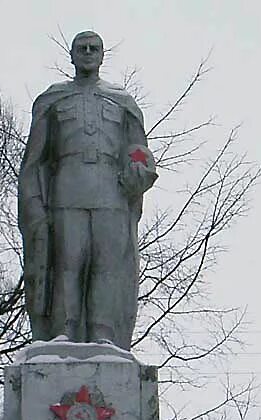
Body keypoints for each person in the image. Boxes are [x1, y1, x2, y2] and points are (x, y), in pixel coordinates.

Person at [18, 30, 156, 350]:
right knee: (68, 260)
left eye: (94, 48)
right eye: (82, 48)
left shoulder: (121, 101)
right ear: (72, 55)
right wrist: (34, 205)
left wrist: (139, 168)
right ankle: (63, 329)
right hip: (68, 189)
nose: (88, 52)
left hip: (112, 192)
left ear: (103, 55)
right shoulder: (54, 99)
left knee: (106, 263)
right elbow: (35, 159)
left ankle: (102, 332)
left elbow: (137, 147)